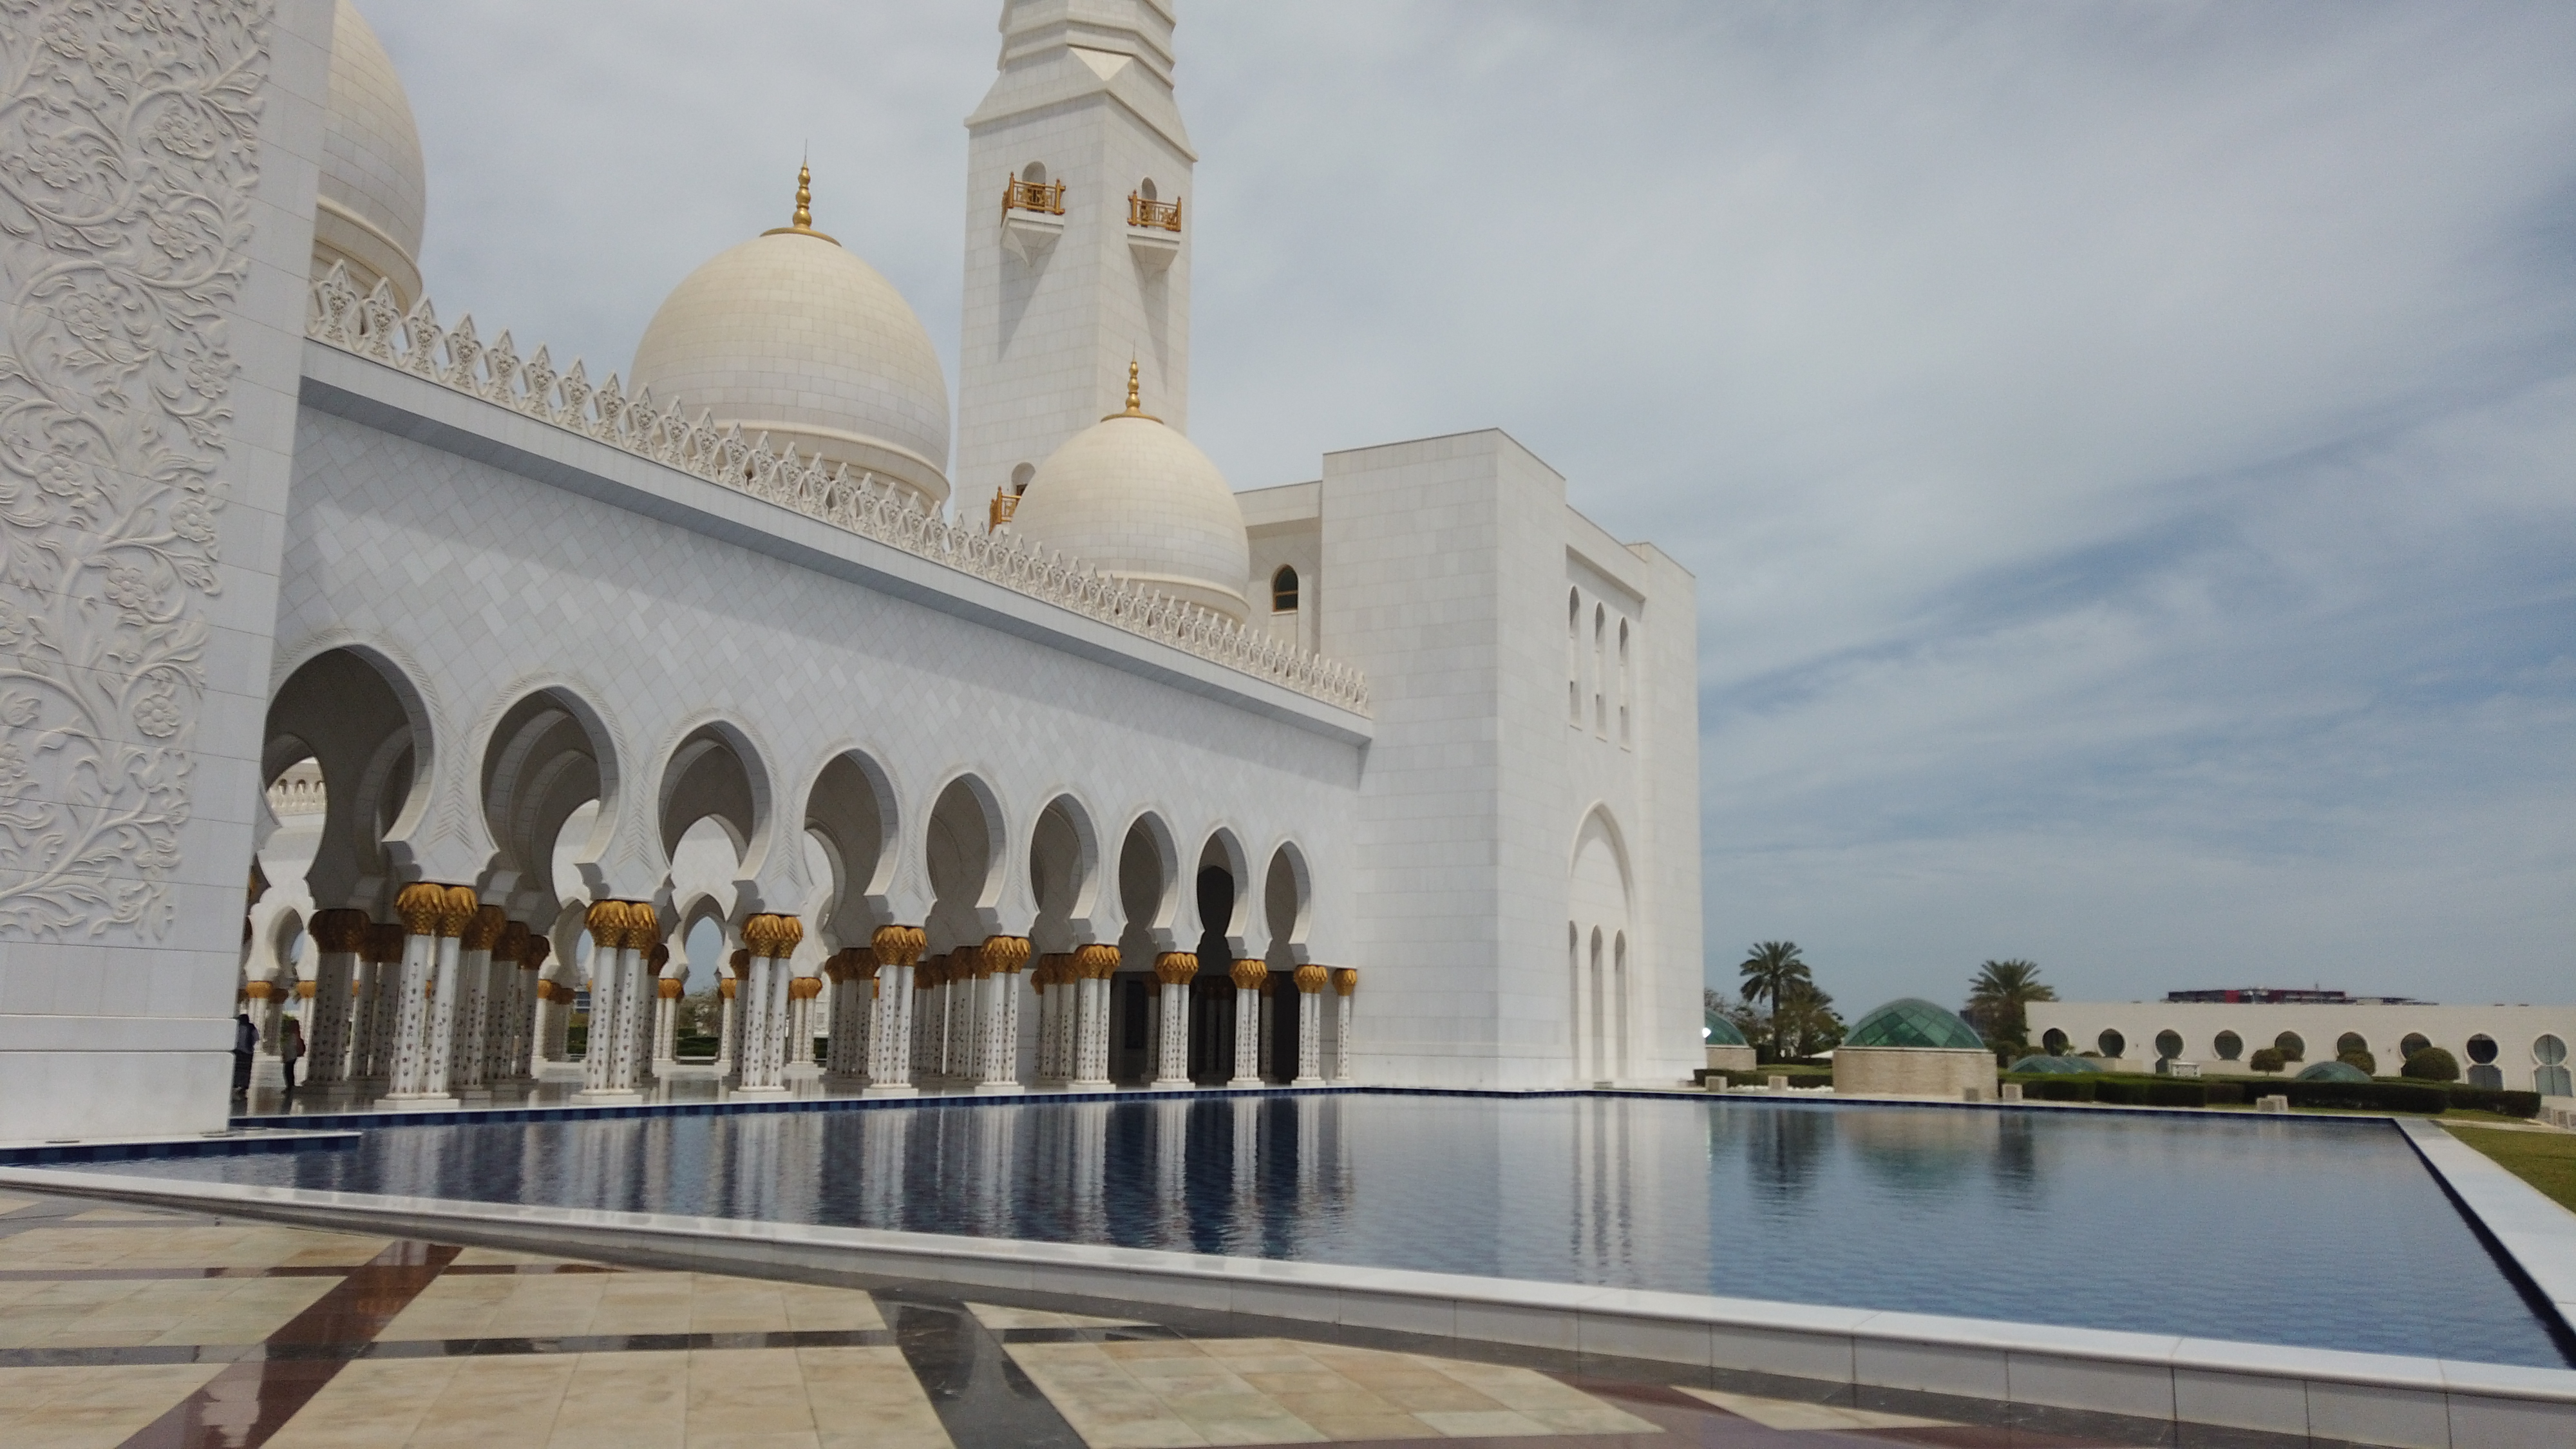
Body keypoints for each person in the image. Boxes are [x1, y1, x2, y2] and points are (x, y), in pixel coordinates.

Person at [231, 1012, 256, 1094]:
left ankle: (236, 1083)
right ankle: (244, 1085)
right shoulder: (252, 1028)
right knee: (246, 1070)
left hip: (238, 1051)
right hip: (248, 1051)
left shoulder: (236, 1027)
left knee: (237, 1068)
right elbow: (256, 1038)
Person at [280, 1015, 305, 1094]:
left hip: (292, 1055)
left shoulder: (296, 1035)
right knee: (288, 1071)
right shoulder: (291, 1035)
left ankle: (290, 1087)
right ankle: (290, 1086)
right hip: (289, 1055)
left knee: (288, 1071)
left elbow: (297, 1045)